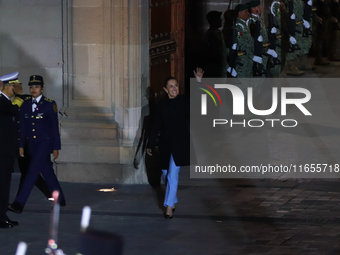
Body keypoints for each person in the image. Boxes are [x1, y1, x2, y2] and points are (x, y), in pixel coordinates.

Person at [146, 68, 203, 219]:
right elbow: (156, 125)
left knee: (173, 174)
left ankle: (169, 207)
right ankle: (173, 199)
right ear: (165, 89)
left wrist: (198, 82)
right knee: (166, 174)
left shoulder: (184, 101)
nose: (174, 88)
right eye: (171, 86)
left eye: (176, 85)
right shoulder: (162, 105)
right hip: (166, 144)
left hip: (180, 143)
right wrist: (150, 144)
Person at [9, 75, 66, 214]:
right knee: (48, 172)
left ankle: (19, 203)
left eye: (37, 87)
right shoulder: (26, 104)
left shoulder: (48, 104)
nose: (34, 89)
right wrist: (21, 145)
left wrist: (56, 147)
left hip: (44, 144)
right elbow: (23, 127)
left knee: (32, 172)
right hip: (32, 144)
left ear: (42, 88)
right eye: (32, 87)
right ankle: (60, 199)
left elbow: (54, 127)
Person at [0, 71, 23, 228]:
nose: (18, 88)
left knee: (4, 185)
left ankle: (2, 216)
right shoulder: (2, 102)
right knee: (2, 185)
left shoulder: (5, 101)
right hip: (2, 152)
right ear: (9, 86)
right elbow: (13, 110)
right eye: (16, 86)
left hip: (5, 152)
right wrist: (20, 98)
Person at [203, 11, 229, 78]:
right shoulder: (211, 34)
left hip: (220, 67)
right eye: (218, 19)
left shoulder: (218, 32)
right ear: (213, 21)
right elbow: (218, 52)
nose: (220, 21)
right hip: (215, 68)